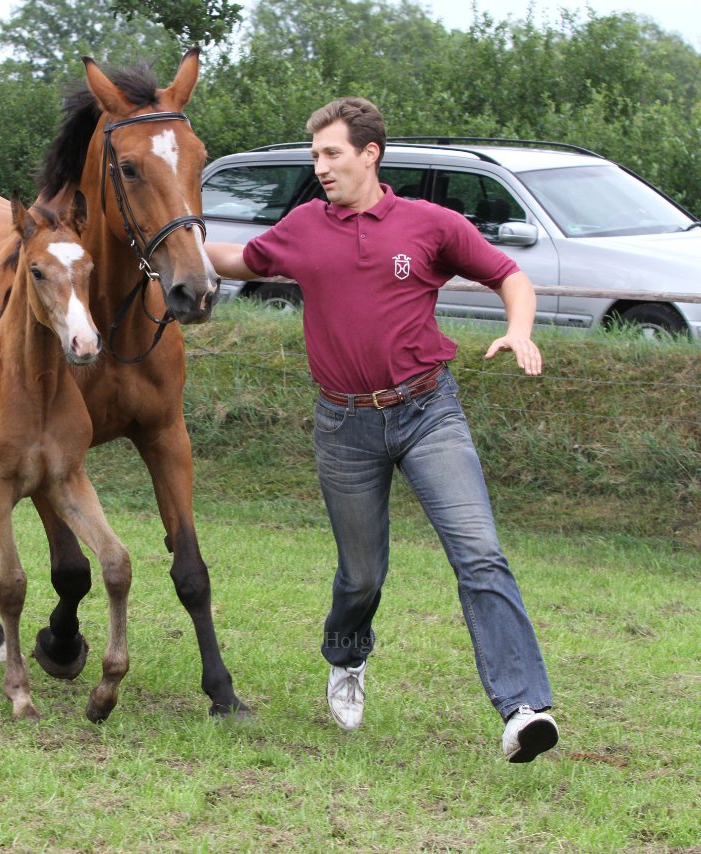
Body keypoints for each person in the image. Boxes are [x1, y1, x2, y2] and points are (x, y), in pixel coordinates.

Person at [207, 98, 558, 762]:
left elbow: (510, 276)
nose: (321, 168)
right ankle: (347, 657)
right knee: (362, 576)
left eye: (331, 154)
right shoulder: (305, 225)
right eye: (315, 156)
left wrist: (518, 331)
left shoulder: (431, 224)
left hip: (428, 411)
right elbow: (241, 262)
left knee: (480, 553)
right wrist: (170, 248)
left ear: (370, 154)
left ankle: (522, 709)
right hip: (344, 425)